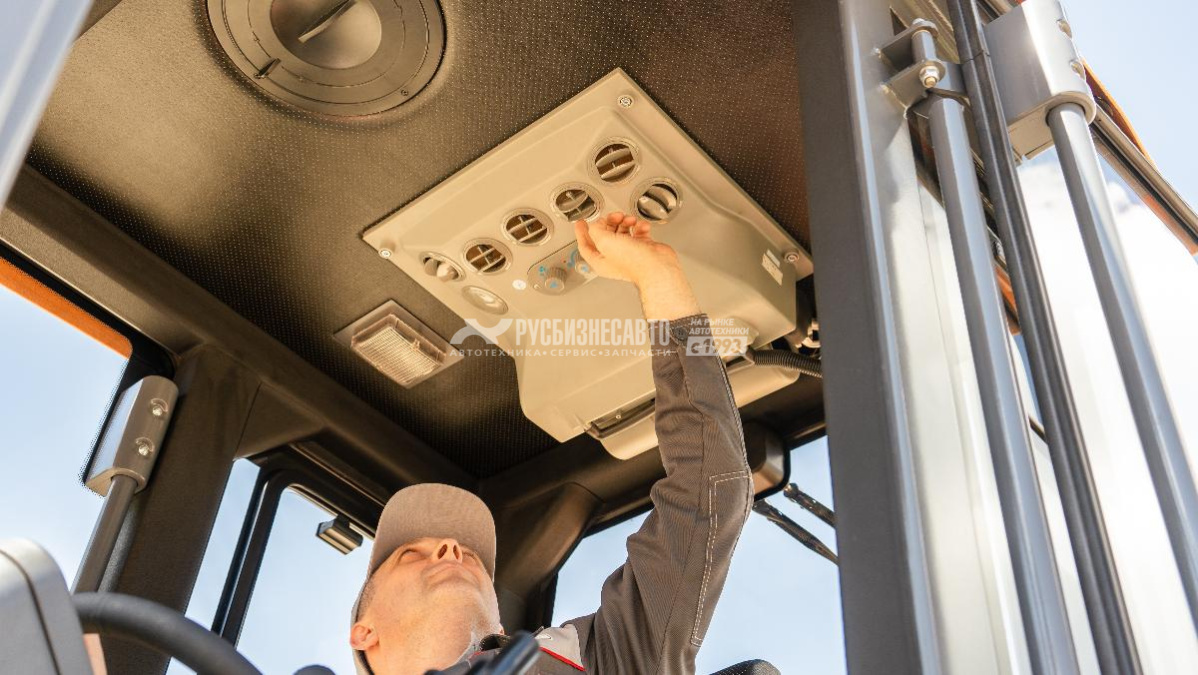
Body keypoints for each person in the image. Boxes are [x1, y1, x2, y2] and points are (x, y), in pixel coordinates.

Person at [349, 211, 753, 674]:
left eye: (468, 557)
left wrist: (658, 275)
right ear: (365, 633)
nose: (451, 550)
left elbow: (710, 487)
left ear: (499, 621)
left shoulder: (606, 659)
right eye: (409, 555)